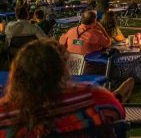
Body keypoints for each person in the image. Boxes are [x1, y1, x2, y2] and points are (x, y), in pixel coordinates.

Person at [0, 40, 132, 137]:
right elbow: (118, 114)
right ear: (62, 69)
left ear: (16, 74)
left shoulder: (4, 115)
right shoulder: (92, 98)